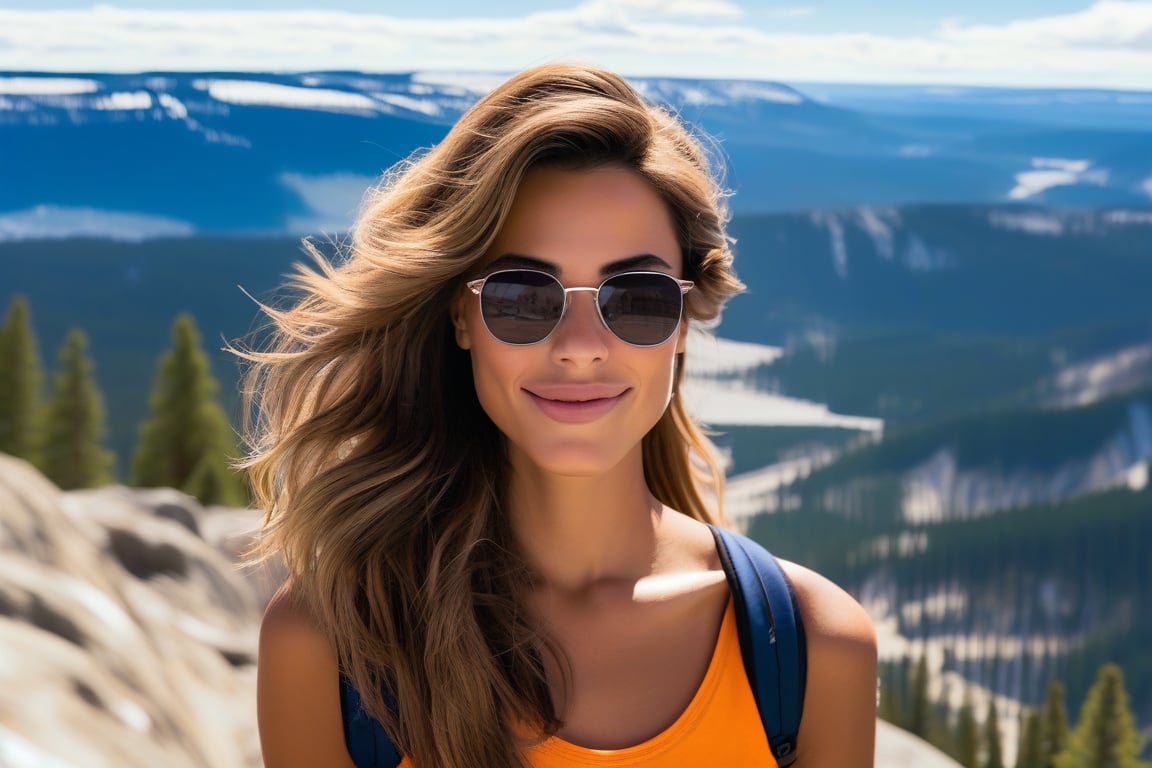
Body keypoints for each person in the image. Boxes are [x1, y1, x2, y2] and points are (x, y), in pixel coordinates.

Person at [246, 64, 877, 768]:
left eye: (635, 297)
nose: (580, 349)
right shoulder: (336, 649)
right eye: (523, 296)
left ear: (681, 322)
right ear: (462, 314)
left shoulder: (809, 650)